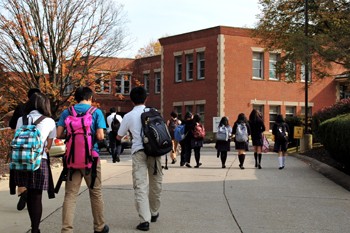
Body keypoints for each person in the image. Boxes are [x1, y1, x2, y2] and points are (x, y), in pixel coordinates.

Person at [56, 87, 109, 233]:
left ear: (76, 98)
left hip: (72, 159)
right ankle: (99, 227)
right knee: (95, 192)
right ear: (90, 97)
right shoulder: (96, 112)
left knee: (70, 195)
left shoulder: (67, 112)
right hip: (91, 159)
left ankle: (66, 230)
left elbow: (59, 134)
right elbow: (100, 136)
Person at [116, 86, 162, 231]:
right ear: (146, 98)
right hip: (155, 152)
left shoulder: (128, 116)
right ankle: (154, 212)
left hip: (139, 152)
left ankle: (144, 220)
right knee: (156, 182)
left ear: (131, 100)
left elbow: (118, 136)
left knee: (140, 185)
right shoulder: (154, 112)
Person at [9, 92, 56, 233]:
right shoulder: (49, 121)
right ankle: (35, 229)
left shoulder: (21, 120)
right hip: (38, 161)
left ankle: (33, 224)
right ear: (45, 105)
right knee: (36, 196)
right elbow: (49, 145)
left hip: (21, 161)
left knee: (29, 194)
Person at [9, 87, 41, 211]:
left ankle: (22, 191)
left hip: (20, 147)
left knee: (19, 169)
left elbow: (12, 125)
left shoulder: (21, 108)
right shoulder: (42, 112)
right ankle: (31, 194)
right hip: (36, 148)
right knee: (34, 172)